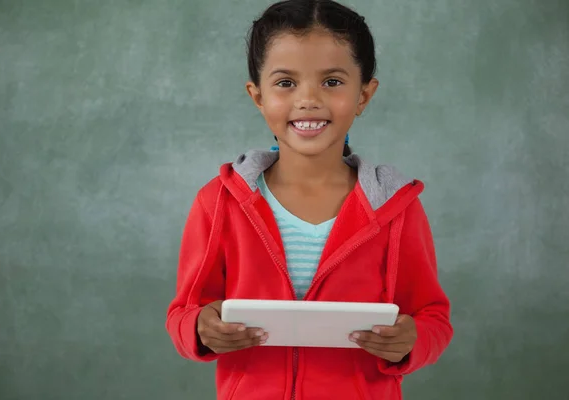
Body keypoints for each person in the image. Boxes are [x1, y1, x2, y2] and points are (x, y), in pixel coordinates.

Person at [166, 1, 453, 398]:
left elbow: (433, 318)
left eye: (332, 82)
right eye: (286, 83)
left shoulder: (396, 207)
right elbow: (183, 313)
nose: (308, 99)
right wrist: (201, 328)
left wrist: (413, 340)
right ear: (257, 96)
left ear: (364, 95)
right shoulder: (218, 204)